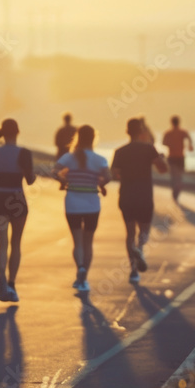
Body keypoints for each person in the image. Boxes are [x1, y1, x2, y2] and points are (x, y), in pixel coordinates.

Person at [0, 119, 36, 301]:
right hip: (17, 200)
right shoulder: (24, 153)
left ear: (2, 134)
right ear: (18, 132)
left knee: (2, 244)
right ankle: (12, 285)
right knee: (16, 244)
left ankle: (2, 277)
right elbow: (30, 180)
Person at [54, 125, 111, 292]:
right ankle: (84, 279)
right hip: (92, 204)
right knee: (88, 242)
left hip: (72, 202)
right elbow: (108, 176)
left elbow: (54, 171)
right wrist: (100, 183)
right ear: (94, 139)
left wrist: (63, 181)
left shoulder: (68, 158)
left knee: (77, 241)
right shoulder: (100, 159)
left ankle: (79, 267)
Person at [112, 117, 168, 284]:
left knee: (129, 233)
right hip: (144, 196)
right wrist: (161, 157)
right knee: (144, 232)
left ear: (127, 132)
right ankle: (140, 249)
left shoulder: (120, 151)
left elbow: (114, 173)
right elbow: (163, 169)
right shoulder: (149, 149)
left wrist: (126, 174)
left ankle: (133, 271)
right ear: (142, 132)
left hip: (127, 196)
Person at [162, 115, 194, 202]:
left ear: (171, 123)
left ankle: (175, 190)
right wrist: (190, 146)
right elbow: (189, 139)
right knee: (179, 175)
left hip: (172, 157)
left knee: (173, 175)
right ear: (179, 122)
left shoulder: (168, 133)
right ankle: (177, 190)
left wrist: (171, 144)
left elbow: (164, 142)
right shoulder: (182, 132)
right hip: (180, 157)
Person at [54, 113, 77, 191]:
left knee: (60, 169)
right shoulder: (75, 129)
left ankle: (63, 182)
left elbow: (56, 142)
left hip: (61, 152)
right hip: (71, 153)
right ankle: (68, 182)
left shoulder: (60, 130)